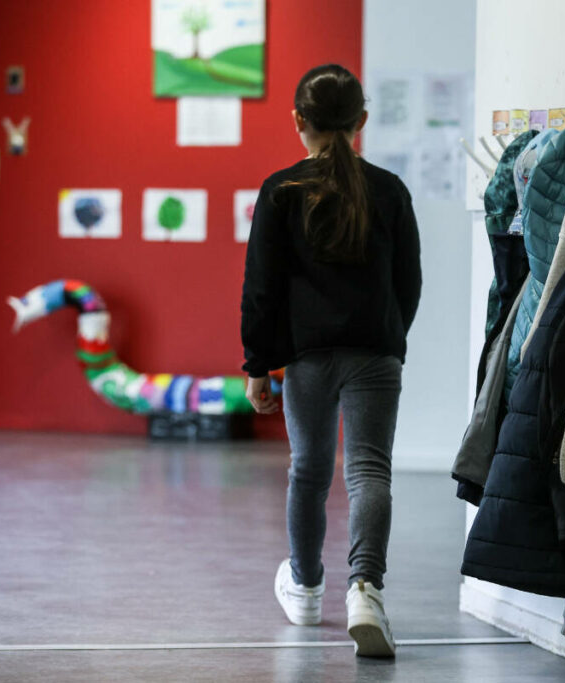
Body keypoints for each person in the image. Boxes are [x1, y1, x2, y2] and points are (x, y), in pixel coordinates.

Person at [240, 64, 421, 658]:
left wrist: (258, 366)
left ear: (298, 121)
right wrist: (390, 340)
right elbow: (409, 284)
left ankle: (308, 587)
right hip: (374, 352)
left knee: (309, 470)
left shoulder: (280, 191)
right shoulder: (390, 191)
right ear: (361, 122)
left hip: (308, 359)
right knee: (369, 471)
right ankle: (365, 589)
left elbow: (261, 289)